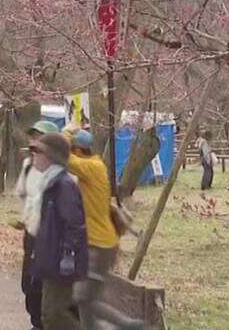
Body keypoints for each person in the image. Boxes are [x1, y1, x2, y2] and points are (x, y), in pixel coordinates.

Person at [67, 130, 142, 330]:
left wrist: (66, 133)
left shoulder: (91, 167)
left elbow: (64, 159)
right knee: (85, 302)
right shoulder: (95, 167)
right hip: (97, 243)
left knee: (83, 298)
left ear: (77, 149)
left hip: (99, 245)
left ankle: (126, 325)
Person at [28, 132, 88, 330]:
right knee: (48, 313)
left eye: (37, 151)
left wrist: (68, 254)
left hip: (61, 264)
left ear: (51, 156)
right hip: (50, 260)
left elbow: (75, 224)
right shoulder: (49, 182)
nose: (33, 155)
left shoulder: (64, 185)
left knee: (56, 315)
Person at [15, 120, 59, 329]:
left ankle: (42, 324)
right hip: (31, 236)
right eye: (32, 137)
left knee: (41, 287)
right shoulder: (27, 166)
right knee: (28, 284)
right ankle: (36, 322)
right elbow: (24, 194)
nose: (34, 142)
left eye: (39, 137)